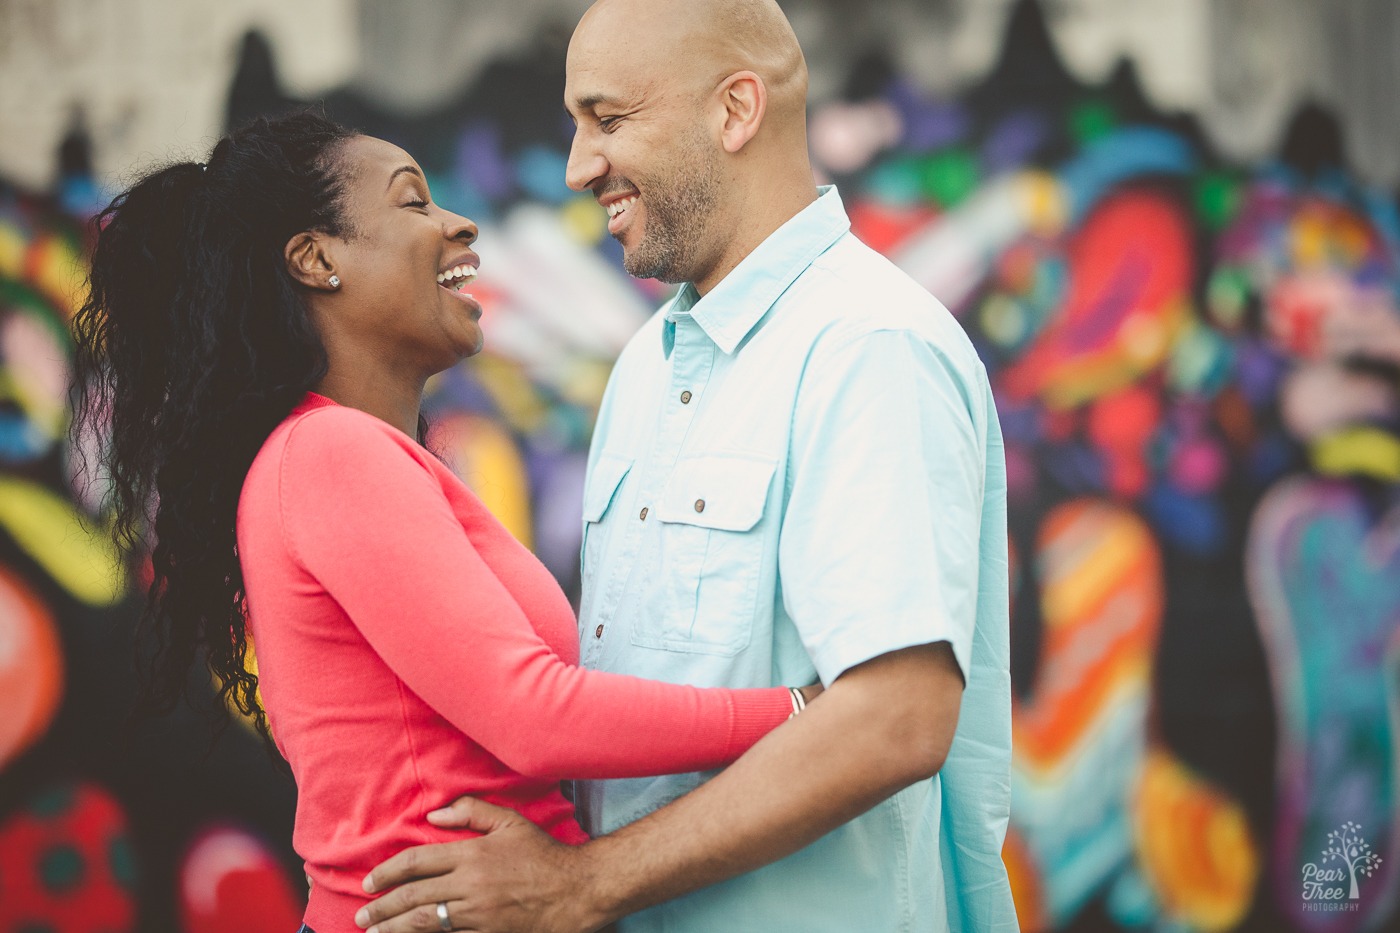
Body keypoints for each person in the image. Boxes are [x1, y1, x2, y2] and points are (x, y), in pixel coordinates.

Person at [69, 110, 822, 933]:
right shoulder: (329, 453)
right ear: (317, 259)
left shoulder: (341, 456)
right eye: (413, 201)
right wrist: (800, 713)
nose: (458, 221)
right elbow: (534, 714)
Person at [355, 1, 1016, 932]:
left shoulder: (869, 346)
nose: (581, 165)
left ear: (736, 110)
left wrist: (581, 884)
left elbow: (897, 716)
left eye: (609, 118)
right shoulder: (647, 364)